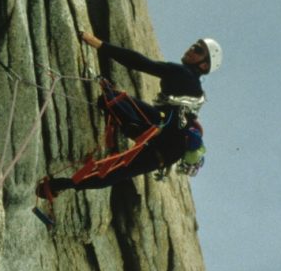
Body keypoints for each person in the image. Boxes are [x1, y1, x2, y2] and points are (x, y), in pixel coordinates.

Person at [37, 31, 222, 197]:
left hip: (164, 143)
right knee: (111, 100)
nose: (191, 49)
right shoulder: (193, 86)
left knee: (117, 169)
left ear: (204, 66)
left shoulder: (184, 75)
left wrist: (99, 45)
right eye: (194, 45)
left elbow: (141, 63)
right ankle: (131, 125)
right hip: (163, 137)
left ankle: (62, 185)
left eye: (197, 50)